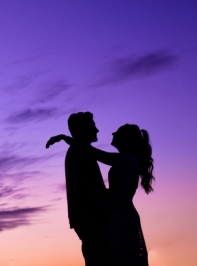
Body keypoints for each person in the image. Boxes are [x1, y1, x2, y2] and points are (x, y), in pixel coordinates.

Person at [48, 122, 154, 266]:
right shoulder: (121, 158)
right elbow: (93, 152)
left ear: (125, 138)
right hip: (115, 215)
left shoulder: (129, 159)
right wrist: (66, 138)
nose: (112, 134)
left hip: (123, 216)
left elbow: (128, 190)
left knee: (125, 258)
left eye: (117, 132)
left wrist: (102, 203)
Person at [47, 112, 110, 266]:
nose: (97, 130)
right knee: (98, 258)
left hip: (87, 215)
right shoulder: (81, 150)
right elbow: (83, 186)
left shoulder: (80, 148)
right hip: (89, 215)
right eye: (93, 126)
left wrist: (65, 138)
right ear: (84, 129)